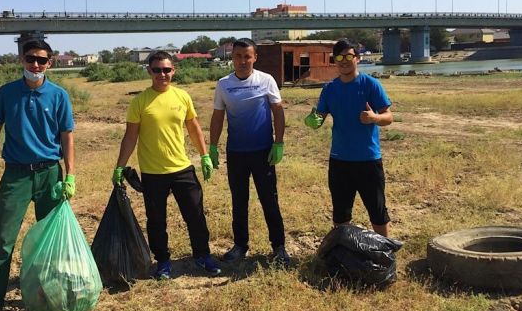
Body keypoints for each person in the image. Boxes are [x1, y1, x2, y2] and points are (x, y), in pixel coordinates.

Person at [0, 40, 75, 311]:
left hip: (49, 174)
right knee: (3, 241)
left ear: (50, 63)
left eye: (42, 61)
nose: (35, 65)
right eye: (31, 59)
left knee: (51, 240)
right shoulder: (7, 93)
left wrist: (70, 174)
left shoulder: (58, 95)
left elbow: (67, 137)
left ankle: (50, 294)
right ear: (22, 59)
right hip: (16, 175)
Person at [112, 51, 220, 279]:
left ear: (174, 71)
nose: (162, 74)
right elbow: (130, 137)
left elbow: (193, 127)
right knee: (156, 221)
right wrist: (120, 166)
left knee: (195, 215)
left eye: (167, 69)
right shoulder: (139, 101)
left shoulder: (182, 97)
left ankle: (202, 255)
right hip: (153, 173)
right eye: (157, 70)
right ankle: (162, 262)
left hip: (182, 169)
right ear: (149, 71)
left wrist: (204, 155)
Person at [209, 38, 290, 266]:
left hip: (263, 152)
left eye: (247, 56)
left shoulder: (266, 80)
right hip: (236, 153)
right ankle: (240, 245)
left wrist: (279, 142)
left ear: (255, 57)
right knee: (239, 200)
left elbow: (278, 111)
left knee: (269, 200)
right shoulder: (223, 84)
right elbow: (217, 116)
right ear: (231, 58)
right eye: (238, 56)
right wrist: (213, 146)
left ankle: (279, 246)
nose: (243, 61)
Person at [305, 38, 393, 237]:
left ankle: (385, 255)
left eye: (348, 56)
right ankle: (342, 252)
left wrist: (374, 118)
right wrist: (313, 120)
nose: (343, 61)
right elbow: (319, 118)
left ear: (357, 58)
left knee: (377, 212)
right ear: (334, 61)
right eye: (339, 57)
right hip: (339, 160)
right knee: (341, 214)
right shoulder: (329, 89)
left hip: (368, 159)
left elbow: (388, 117)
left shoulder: (371, 85)